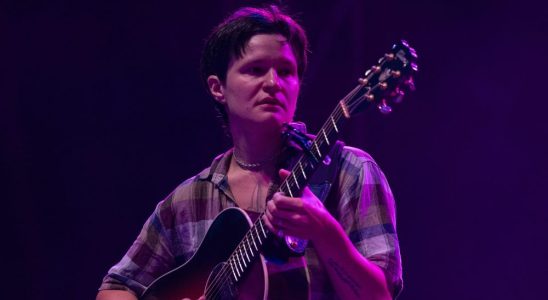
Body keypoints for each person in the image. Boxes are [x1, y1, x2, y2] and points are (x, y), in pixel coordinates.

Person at [97, 5, 402, 300]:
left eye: (286, 71)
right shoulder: (188, 200)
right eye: (255, 70)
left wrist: (324, 232)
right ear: (218, 88)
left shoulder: (349, 171)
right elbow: (115, 287)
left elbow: (379, 296)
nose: (273, 83)